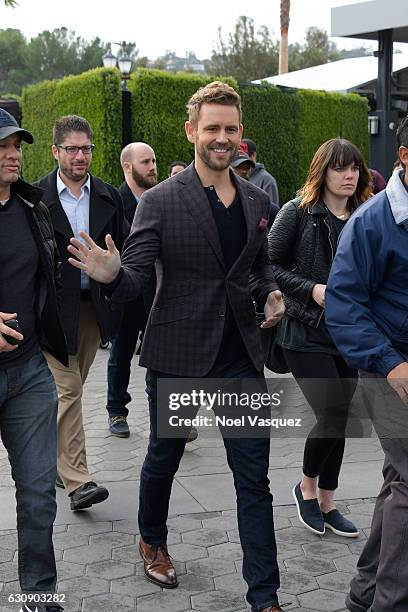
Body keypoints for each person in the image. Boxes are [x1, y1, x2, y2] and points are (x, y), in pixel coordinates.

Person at [67, 81, 286, 612]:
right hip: (178, 352)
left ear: (240, 135)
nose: (221, 138)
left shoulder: (257, 199)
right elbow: (137, 277)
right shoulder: (162, 201)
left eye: (230, 129)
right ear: (192, 132)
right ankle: (152, 539)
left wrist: (272, 291)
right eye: (212, 128)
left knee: (253, 478)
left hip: (239, 354)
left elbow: (255, 270)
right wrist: (112, 274)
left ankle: (266, 595)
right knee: (162, 457)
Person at [268, 138, 371, 538]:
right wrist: (312, 289)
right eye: (339, 168)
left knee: (343, 418)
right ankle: (305, 488)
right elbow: (269, 265)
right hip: (304, 330)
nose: (349, 176)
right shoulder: (297, 212)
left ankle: (328, 500)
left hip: (349, 332)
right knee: (332, 412)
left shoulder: (366, 214)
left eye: (354, 169)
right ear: (322, 171)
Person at [326, 116, 408, 612]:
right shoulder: (373, 220)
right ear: (405, 157)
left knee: (400, 481)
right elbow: (343, 305)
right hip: (387, 369)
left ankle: (366, 592)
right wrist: (392, 364)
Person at [36, 114, 128, 510]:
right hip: (50, 310)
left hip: (94, 311)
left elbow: (126, 251)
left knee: (68, 391)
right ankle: (78, 481)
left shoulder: (109, 196)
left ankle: (58, 462)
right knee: (68, 390)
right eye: (71, 148)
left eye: (85, 148)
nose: (80, 156)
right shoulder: (35, 197)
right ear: (55, 151)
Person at [0, 108, 67, 611]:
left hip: (28, 373)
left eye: (17, 146)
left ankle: (39, 594)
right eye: (2, 147)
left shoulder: (32, 209)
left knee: (40, 491)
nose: (12, 154)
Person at [106, 142, 157, 437]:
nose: (152, 167)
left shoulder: (160, 198)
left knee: (161, 357)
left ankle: (168, 415)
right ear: (127, 166)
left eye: (153, 160)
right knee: (121, 353)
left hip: (157, 293)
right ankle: (116, 412)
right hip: (125, 294)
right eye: (145, 162)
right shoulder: (114, 201)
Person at [231, 153, 279, 226]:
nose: (244, 171)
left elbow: (273, 212)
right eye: (238, 167)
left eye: (247, 167)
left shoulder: (259, 198)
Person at [240, 138, 279, 206]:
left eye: (245, 157)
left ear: (254, 155)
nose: (242, 162)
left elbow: (271, 211)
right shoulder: (234, 176)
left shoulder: (267, 180)